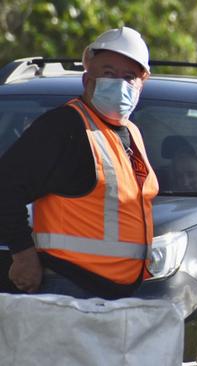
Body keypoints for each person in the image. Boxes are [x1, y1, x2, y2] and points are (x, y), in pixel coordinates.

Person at [0, 26, 158, 299]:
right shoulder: (64, 126)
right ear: (87, 79)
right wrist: (24, 255)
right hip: (69, 288)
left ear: (142, 83)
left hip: (118, 293)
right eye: (108, 73)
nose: (120, 83)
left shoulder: (130, 131)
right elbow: (5, 186)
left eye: (129, 76)